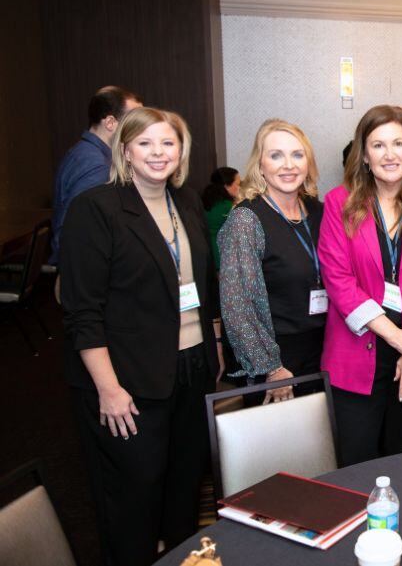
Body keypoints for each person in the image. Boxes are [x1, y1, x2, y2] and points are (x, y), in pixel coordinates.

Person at [59, 107, 221, 565]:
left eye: (168, 143)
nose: (158, 153)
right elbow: (82, 312)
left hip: (190, 369)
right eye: (145, 143)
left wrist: (213, 342)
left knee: (185, 486)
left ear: (181, 151)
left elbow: (203, 281)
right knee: (133, 495)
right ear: (125, 149)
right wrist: (107, 389)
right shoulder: (97, 208)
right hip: (128, 378)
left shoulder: (186, 201)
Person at [318, 105, 402, 466]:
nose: (390, 154)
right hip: (357, 351)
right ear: (364, 154)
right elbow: (338, 278)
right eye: (378, 145)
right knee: (357, 462)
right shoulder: (339, 203)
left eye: (398, 143)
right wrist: (398, 338)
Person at [218, 120, 325, 404]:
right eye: (276, 155)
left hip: (323, 351)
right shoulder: (247, 220)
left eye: (297, 155)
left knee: (323, 446)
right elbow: (236, 306)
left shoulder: (318, 211)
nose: (288, 165)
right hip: (277, 361)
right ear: (260, 165)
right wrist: (271, 368)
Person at [51, 85, 142, 266]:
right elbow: (79, 231)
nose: (140, 128)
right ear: (109, 123)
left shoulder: (85, 152)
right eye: (133, 121)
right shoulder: (96, 165)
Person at [202, 166, 240, 269]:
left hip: (205, 253)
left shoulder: (207, 199)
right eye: (238, 184)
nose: (239, 188)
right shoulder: (227, 206)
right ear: (227, 186)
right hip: (220, 256)